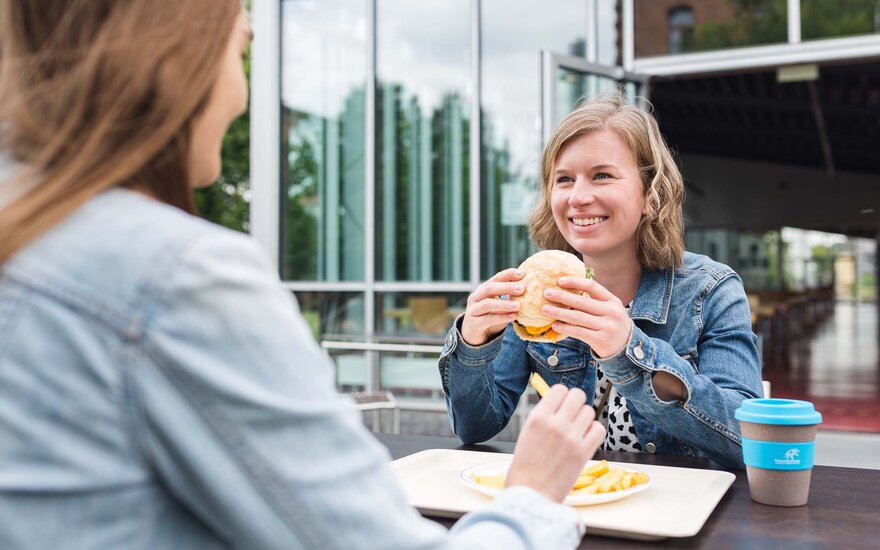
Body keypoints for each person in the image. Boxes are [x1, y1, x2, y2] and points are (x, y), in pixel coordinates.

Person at [0, 2, 607, 548]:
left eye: (603, 177)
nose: (241, 95)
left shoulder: (35, 243)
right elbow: (469, 430)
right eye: (240, 52)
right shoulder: (177, 276)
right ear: (174, 54)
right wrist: (531, 494)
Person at [439, 91, 763, 470]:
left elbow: (748, 440)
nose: (577, 197)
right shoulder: (535, 291)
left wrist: (628, 348)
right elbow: (475, 427)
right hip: (574, 503)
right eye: (563, 179)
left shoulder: (712, 291)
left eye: (602, 176)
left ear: (652, 196)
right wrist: (475, 343)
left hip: (683, 511)